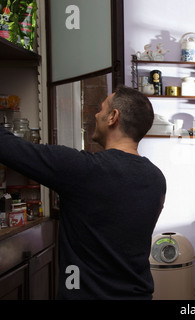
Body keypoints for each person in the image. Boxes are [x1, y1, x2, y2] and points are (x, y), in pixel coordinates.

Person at [0, 86, 166, 299]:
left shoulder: (82, 170)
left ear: (113, 117)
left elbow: (9, 147)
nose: (96, 114)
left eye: (101, 108)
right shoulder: (156, 178)